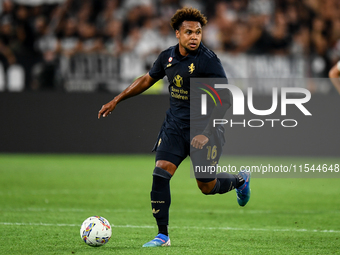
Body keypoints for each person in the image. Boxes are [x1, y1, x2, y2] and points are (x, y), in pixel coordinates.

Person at [98, 7, 251, 248]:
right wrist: (117, 99)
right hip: (175, 126)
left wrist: (206, 133)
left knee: (206, 186)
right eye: (189, 32)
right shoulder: (166, 57)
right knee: (160, 173)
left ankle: (240, 181)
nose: (194, 37)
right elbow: (147, 79)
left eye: (198, 32)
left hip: (205, 128)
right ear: (177, 34)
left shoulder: (208, 61)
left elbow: (225, 99)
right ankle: (162, 235)